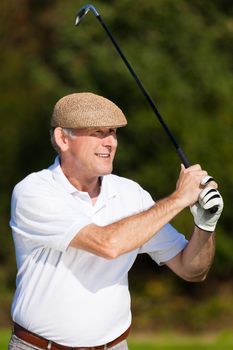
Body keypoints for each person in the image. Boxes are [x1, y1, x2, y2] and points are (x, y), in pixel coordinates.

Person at [9, 92, 223, 350]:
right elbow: (107, 244)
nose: (110, 142)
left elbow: (191, 270)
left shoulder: (131, 193)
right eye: (98, 132)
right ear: (63, 138)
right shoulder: (34, 191)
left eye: (113, 132)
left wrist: (205, 225)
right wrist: (179, 199)